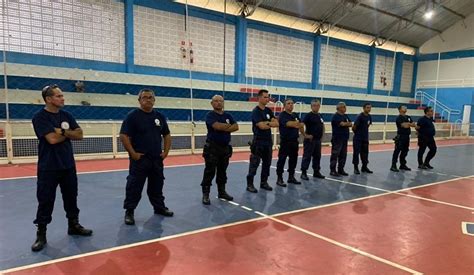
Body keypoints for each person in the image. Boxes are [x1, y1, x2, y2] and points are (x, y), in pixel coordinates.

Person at [31, 84, 92, 252]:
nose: (62, 98)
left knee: (71, 198)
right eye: (58, 96)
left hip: (68, 166)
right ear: (49, 99)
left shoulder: (67, 115)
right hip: (48, 167)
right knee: (45, 200)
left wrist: (63, 133)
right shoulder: (39, 118)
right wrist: (67, 134)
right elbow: (51, 139)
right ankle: (41, 233)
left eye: (62, 95)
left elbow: (79, 135)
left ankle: (73, 225)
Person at [120, 88, 173, 226]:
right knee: (134, 186)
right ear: (139, 100)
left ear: (154, 100)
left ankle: (159, 208)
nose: (148, 99)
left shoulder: (159, 116)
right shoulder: (133, 116)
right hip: (140, 159)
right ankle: (129, 211)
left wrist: (166, 152)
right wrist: (132, 153)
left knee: (157, 185)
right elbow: (124, 135)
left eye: (150, 97)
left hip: (156, 159)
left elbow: (166, 135)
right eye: (145, 97)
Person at [201, 95, 239, 205]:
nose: (218, 103)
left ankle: (221, 192)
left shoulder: (228, 115)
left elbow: (236, 127)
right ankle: (206, 194)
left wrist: (224, 127)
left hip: (225, 148)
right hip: (212, 148)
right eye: (216, 101)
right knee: (210, 171)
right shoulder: (210, 115)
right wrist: (228, 126)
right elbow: (217, 127)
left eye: (221, 101)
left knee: (223, 171)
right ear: (212, 103)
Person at [246, 89, 279, 193]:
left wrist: (267, 123)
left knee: (267, 164)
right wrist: (269, 123)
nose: (267, 99)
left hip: (268, 142)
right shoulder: (256, 111)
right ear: (259, 98)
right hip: (258, 142)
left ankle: (263, 182)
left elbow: (277, 123)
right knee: (254, 164)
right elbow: (261, 126)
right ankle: (250, 184)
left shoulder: (268, 111)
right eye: (265, 97)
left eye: (268, 97)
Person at [276, 98, 303, 187]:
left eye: (292, 103)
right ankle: (279, 178)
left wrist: (297, 124)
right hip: (285, 142)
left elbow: (301, 124)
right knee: (282, 160)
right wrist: (296, 123)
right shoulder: (282, 115)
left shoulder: (295, 115)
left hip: (294, 141)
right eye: (288, 103)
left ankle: (291, 177)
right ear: (284, 105)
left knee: (293, 160)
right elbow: (290, 124)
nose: (291, 105)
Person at [300, 99, 325, 180]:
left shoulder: (320, 115)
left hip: (318, 140)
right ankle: (304, 172)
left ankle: (316, 171)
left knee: (317, 156)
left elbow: (322, 125)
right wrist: (305, 135)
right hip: (310, 141)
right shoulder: (308, 116)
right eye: (314, 105)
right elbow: (301, 125)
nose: (316, 107)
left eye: (317, 105)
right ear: (311, 106)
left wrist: (322, 135)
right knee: (307, 156)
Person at [390, 105, 417, 172]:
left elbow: (413, 124)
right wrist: (409, 124)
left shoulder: (408, 117)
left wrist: (408, 124)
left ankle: (402, 164)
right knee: (397, 151)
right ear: (400, 110)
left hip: (407, 136)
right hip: (401, 136)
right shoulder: (399, 118)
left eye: (406, 107)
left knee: (405, 151)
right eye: (403, 107)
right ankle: (393, 165)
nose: (405, 108)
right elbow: (404, 125)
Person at [330, 102, 352, 177]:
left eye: (345, 107)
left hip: (344, 138)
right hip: (337, 139)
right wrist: (346, 124)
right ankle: (332, 170)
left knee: (343, 155)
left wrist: (345, 124)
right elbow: (342, 124)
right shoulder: (335, 116)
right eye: (343, 107)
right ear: (339, 108)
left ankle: (341, 169)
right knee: (335, 154)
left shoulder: (345, 116)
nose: (345, 108)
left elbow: (350, 123)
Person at [352, 103, 373, 174]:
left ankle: (364, 167)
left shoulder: (369, 116)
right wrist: (358, 134)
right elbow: (354, 127)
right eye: (367, 107)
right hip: (358, 138)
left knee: (365, 153)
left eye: (370, 108)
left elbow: (368, 125)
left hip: (365, 139)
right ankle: (355, 168)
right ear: (364, 108)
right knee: (356, 153)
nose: (369, 109)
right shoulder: (360, 116)